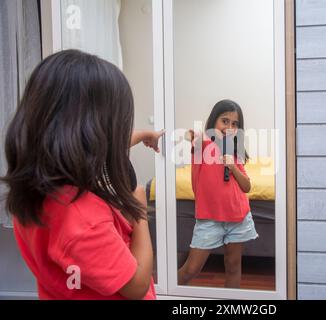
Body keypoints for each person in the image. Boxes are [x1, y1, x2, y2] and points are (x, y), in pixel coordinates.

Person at [0, 49, 163, 300]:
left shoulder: (40, 184)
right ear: (89, 134)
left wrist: (143, 135)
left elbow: (104, 147)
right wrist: (140, 213)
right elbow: (137, 286)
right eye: (114, 125)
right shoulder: (82, 221)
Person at [178, 99, 258, 288]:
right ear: (214, 121)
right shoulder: (204, 145)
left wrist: (232, 166)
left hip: (238, 217)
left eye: (234, 124)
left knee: (233, 266)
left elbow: (246, 187)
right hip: (209, 219)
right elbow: (193, 137)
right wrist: (192, 136)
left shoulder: (235, 151)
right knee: (191, 269)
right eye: (224, 121)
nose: (229, 127)